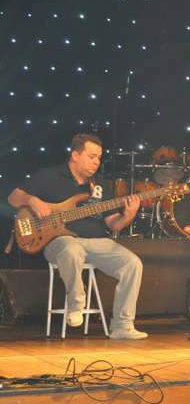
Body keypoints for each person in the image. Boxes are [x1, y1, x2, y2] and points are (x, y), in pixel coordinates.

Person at [8, 133, 147, 339]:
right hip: (59, 242)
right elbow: (13, 197)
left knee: (132, 263)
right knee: (71, 248)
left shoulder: (100, 186)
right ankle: (76, 303)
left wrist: (128, 215)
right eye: (92, 156)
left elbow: (113, 225)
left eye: (99, 157)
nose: (96, 162)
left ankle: (122, 325)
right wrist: (33, 200)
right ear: (75, 154)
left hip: (96, 242)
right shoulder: (49, 175)